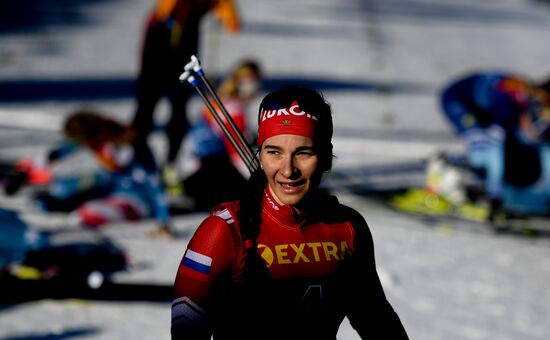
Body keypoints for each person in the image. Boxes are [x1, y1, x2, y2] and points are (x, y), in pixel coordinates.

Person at [171, 87, 409, 339]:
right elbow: (186, 328)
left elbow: (376, 319)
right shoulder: (224, 230)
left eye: (303, 153)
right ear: (260, 156)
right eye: (274, 152)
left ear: (327, 157)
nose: (288, 169)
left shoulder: (348, 227)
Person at [132, 0, 240, 196]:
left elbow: (233, 24)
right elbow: (164, 11)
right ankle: (136, 167)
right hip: (160, 38)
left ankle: (170, 167)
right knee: (145, 112)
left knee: (178, 111)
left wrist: (222, 12)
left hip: (186, 39)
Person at [19, 110, 173, 236]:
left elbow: (154, 184)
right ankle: (64, 202)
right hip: (111, 186)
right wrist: (27, 172)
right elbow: (64, 149)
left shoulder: (128, 148)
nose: (87, 146)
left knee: (88, 212)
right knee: (65, 187)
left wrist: (163, 221)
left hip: (136, 199)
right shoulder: (97, 136)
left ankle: (80, 207)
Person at [439, 71, 550, 218]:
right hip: (459, 100)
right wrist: (494, 194)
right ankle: (446, 168)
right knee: (481, 150)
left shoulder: (534, 101)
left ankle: (485, 186)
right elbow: (495, 147)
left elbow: (545, 148)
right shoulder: (509, 101)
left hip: (489, 107)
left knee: (522, 147)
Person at [183, 59, 262, 210]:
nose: (255, 85)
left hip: (195, 171)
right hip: (203, 175)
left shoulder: (222, 100)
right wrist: (260, 181)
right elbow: (237, 153)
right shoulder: (233, 108)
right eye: (251, 80)